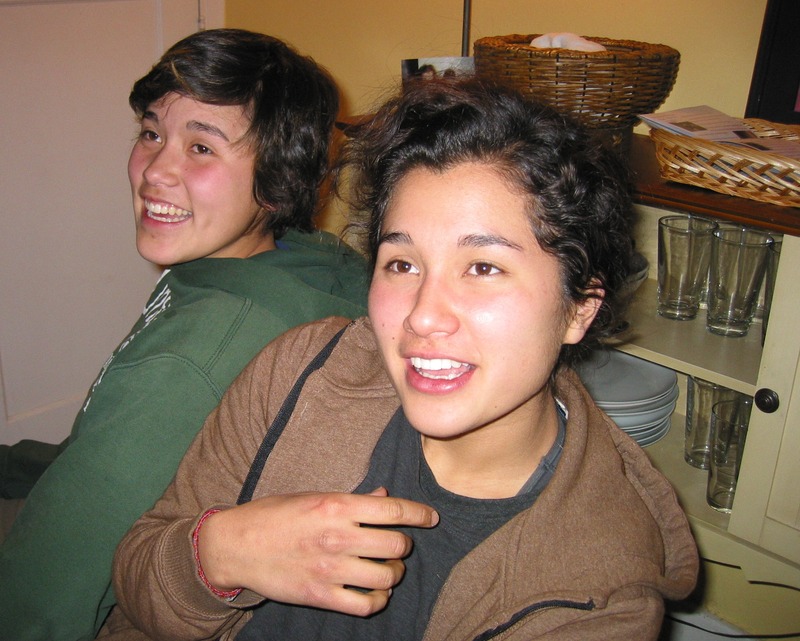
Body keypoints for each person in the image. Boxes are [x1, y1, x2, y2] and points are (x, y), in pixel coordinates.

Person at [101, 78, 698, 641]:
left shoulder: (598, 602)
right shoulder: (302, 368)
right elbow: (137, 579)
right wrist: (220, 554)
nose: (423, 316)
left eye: (483, 267)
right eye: (403, 264)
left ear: (579, 309)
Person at [0, 28, 370, 641]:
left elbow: (42, 596)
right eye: (152, 133)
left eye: (201, 147)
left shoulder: (189, 361)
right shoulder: (303, 255)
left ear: (278, 180)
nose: (155, 171)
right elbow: (105, 459)